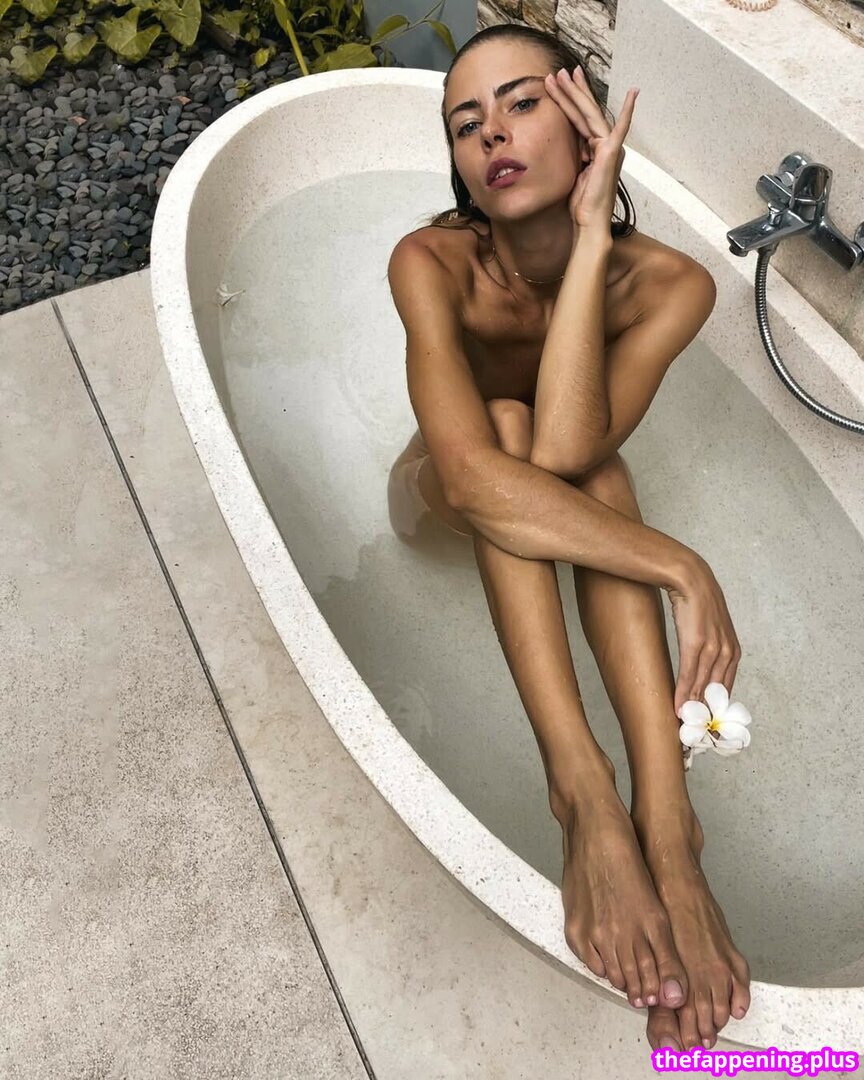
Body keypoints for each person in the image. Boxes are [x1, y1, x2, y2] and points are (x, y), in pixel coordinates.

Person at [386, 24, 751, 1054]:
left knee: (593, 469)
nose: (491, 134)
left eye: (520, 102)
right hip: (437, 503)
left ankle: (667, 826)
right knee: (504, 427)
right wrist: (684, 566)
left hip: (552, 485)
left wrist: (592, 238)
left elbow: (568, 449)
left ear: (586, 121)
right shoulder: (430, 262)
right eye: (465, 123)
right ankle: (583, 789)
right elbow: (474, 476)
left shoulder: (672, 285)